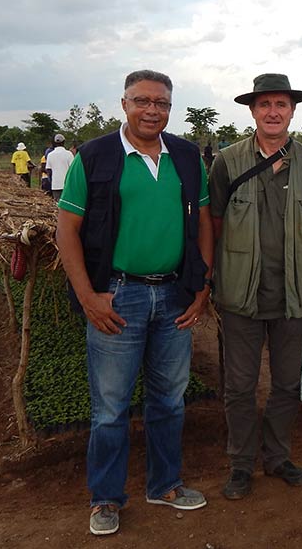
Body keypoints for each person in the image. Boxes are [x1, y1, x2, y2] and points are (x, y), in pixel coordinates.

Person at [56, 70, 213, 537]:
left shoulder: (186, 156)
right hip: (117, 295)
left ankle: (165, 485)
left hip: (174, 294)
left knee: (170, 399)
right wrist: (88, 296)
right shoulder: (96, 156)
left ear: (170, 108)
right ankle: (105, 497)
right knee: (110, 407)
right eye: (142, 101)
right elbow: (68, 230)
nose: (152, 111)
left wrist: (201, 286)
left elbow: (204, 222)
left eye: (161, 103)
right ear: (123, 104)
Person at [208, 73, 302, 500]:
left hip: (294, 295)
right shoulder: (228, 161)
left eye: (281, 105)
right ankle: (241, 464)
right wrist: (213, 281)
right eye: (265, 105)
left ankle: (277, 457)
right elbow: (215, 224)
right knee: (240, 386)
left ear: (293, 111)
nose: (273, 112)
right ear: (252, 111)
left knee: (288, 383)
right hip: (241, 294)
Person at [46, 133, 74, 201]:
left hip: (55, 185)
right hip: (67, 185)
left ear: (54, 143)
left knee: (57, 205)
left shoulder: (50, 155)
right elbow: (73, 169)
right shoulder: (69, 154)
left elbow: (48, 171)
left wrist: (52, 181)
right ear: (64, 142)